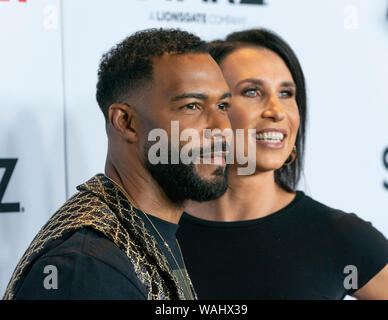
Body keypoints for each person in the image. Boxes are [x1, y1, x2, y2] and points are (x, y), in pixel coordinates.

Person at [3, 28, 232, 300]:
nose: (222, 128)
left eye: (223, 106)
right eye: (192, 106)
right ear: (126, 122)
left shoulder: (142, 232)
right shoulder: (88, 266)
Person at [177, 29, 388, 300]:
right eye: (251, 91)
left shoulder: (339, 236)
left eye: (286, 93)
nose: (277, 110)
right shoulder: (152, 233)